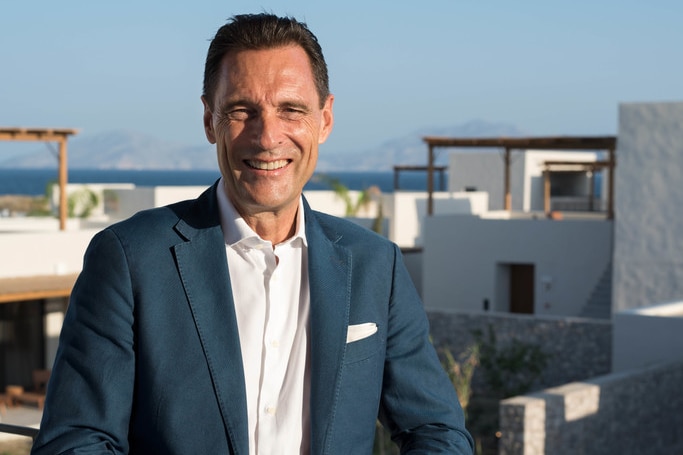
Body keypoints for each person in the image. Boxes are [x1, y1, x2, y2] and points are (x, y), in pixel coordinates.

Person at [32, 13, 474, 454]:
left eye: (291, 110)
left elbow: (438, 431)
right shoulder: (129, 259)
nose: (267, 137)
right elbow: (76, 440)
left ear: (325, 119)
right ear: (209, 120)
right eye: (242, 111)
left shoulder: (377, 266)